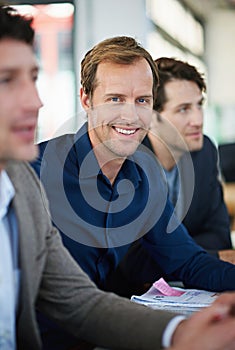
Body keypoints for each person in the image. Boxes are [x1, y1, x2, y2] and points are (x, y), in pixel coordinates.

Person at [5, 4, 235, 350]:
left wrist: (180, 331)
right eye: (114, 98)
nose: (130, 114)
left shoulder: (146, 175)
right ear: (86, 99)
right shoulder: (34, 175)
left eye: (142, 100)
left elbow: (184, 259)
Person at [141, 57, 234, 262]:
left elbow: (219, 236)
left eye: (199, 105)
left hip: (192, 287)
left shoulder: (204, 152)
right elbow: (134, 257)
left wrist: (172, 253)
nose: (198, 120)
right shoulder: (128, 161)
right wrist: (209, 256)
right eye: (183, 109)